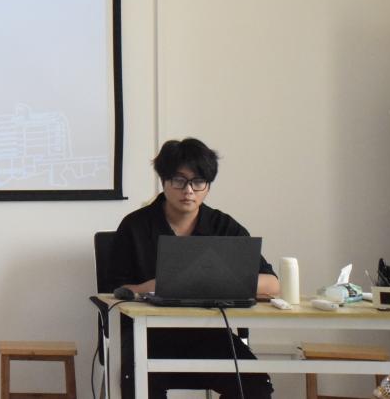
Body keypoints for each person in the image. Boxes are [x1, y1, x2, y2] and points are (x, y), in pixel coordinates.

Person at [108, 138, 281, 399]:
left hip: (208, 334)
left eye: (198, 181)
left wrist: (213, 281)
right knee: (138, 381)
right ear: (164, 181)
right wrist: (152, 288)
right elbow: (113, 291)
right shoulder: (135, 226)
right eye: (179, 180)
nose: (188, 190)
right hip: (147, 335)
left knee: (255, 386)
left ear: (207, 186)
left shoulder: (223, 227)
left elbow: (272, 284)